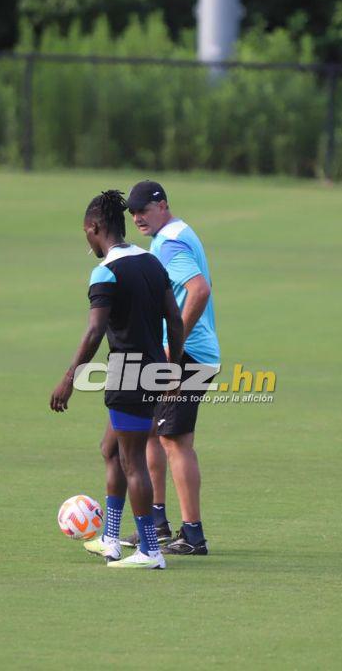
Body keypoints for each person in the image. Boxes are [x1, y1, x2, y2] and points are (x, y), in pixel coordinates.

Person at [50, 189, 184, 569]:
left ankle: (149, 551)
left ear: (94, 228)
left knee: (132, 462)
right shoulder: (152, 263)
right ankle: (111, 538)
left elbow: (94, 332)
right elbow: (174, 320)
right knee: (111, 450)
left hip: (127, 374)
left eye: (86, 234)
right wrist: (173, 369)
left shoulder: (105, 271)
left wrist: (68, 379)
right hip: (154, 369)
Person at [119, 180, 220, 556]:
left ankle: (193, 535)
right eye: (132, 212)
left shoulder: (170, 242)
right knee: (151, 433)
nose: (137, 217)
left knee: (176, 442)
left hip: (187, 354)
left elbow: (199, 289)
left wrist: (172, 347)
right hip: (184, 353)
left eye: (143, 209)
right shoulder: (176, 233)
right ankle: (157, 522)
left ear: (162, 205)